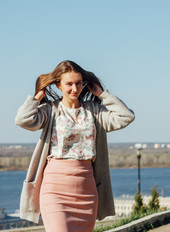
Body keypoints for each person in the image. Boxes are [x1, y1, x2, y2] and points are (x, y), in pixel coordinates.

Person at [15, 60, 135, 232]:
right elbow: (22, 119)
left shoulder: (94, 111)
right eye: (69, 84)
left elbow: (126, 117)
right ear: (58, 85)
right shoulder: (50, 110)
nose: (75, 89)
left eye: (78, 83)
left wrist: (103, 95)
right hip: (55, 189)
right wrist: (37, 97)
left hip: (86, 189)